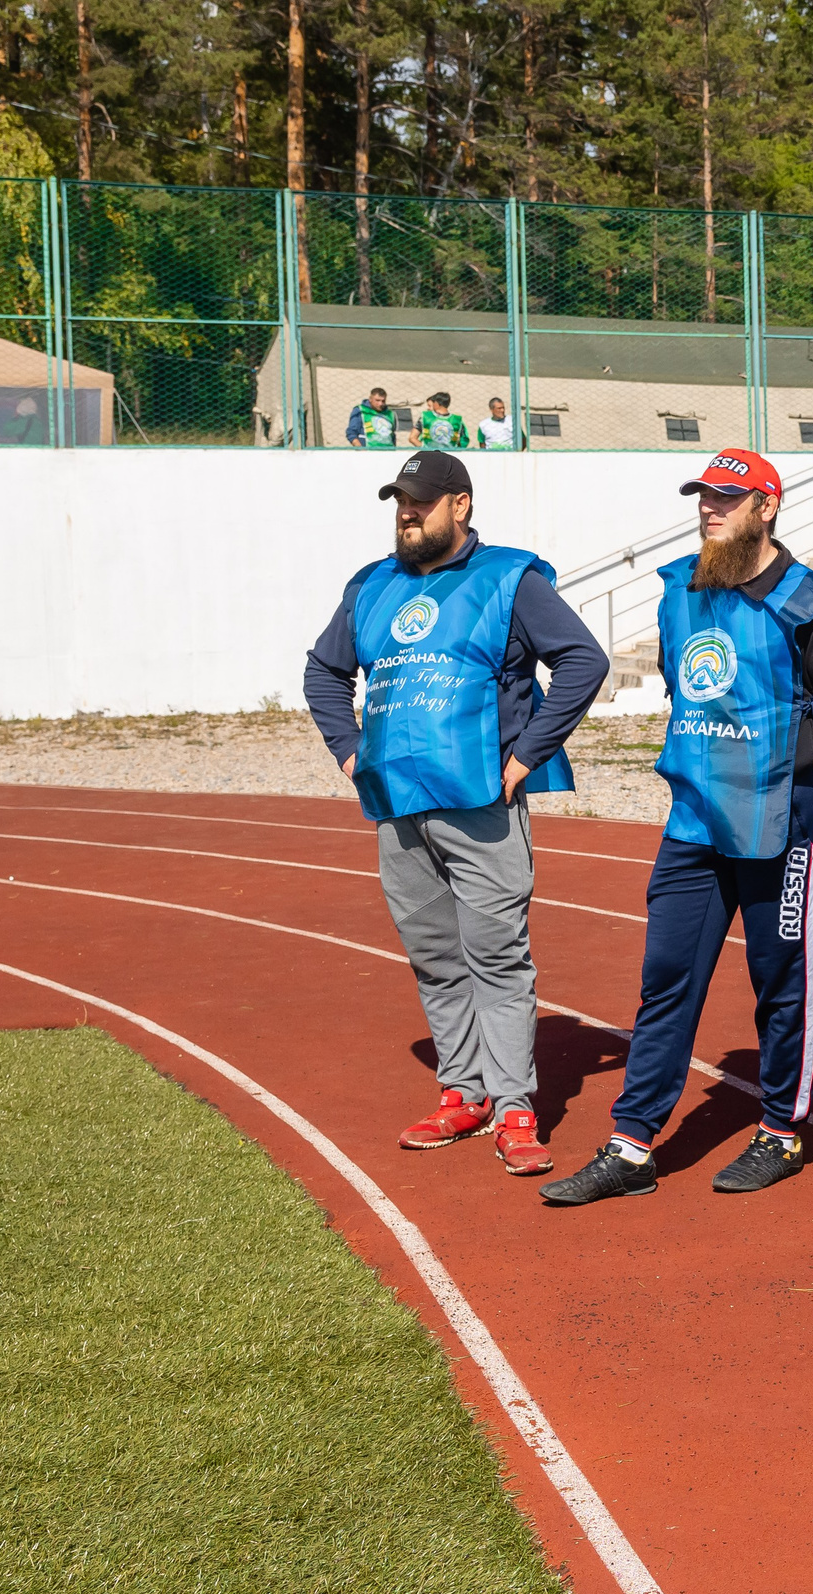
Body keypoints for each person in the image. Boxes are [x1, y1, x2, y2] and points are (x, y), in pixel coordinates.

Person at [542, 449, 813, 1206]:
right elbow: (678, 680)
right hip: (694, 817)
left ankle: (782, 1131)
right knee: (666, 978)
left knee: (781, 978)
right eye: (704, 496)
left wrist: (781, 749)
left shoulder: (812, 604)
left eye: (727, 497)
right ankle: (632, 1145)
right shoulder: (679, 592)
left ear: (767, 507)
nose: (709, 508)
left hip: (779, 819)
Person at [303, 449, 608, 1173]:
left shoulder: (511, 578)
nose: (407, 514)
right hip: (398, 809)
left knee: (497, 957)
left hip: (481, 805)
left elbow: (582, 661)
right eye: (399, 502)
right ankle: (463, 1091)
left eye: (421, 502)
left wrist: (527, 756)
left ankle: (514, 1107)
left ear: (460, 505)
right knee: (436, 958)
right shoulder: (372, 586)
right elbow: (323, 670)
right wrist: (350, 752)